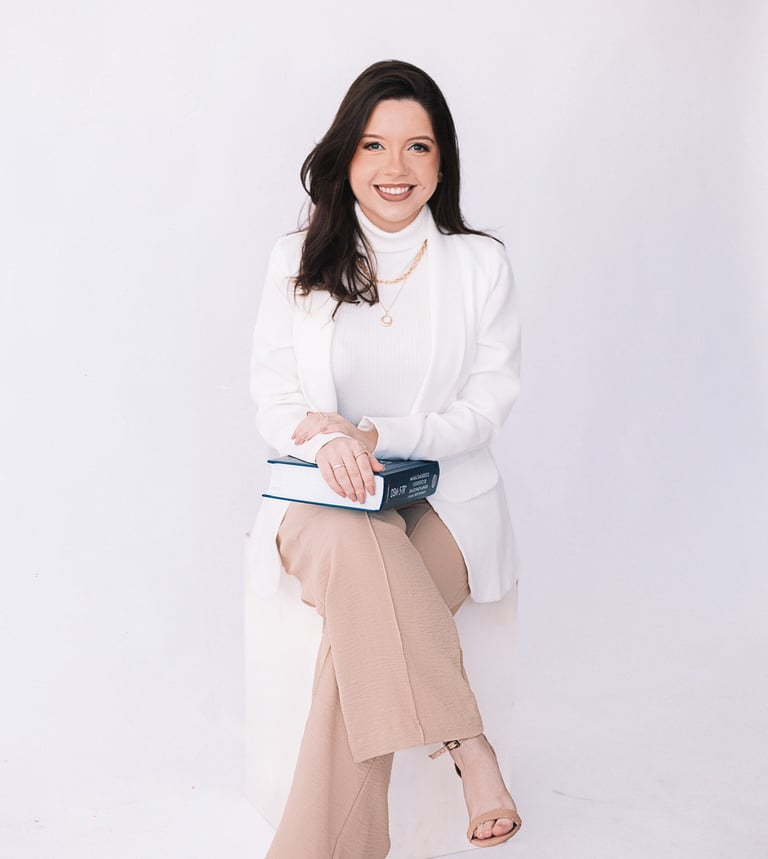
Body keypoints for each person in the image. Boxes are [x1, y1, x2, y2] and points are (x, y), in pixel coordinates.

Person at [249, 59, 522, 858]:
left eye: (417, 146)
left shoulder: (479, 265)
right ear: (346, 156)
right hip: (323, 501)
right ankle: (470, 745)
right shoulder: (295, 258)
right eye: (373, 145)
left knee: (359, 644)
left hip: (447, 500)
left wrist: (377, 434)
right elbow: (274, 396)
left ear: (443, 161)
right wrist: (331, 442)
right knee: (356, 559)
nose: (395, 167)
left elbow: (485, 410)